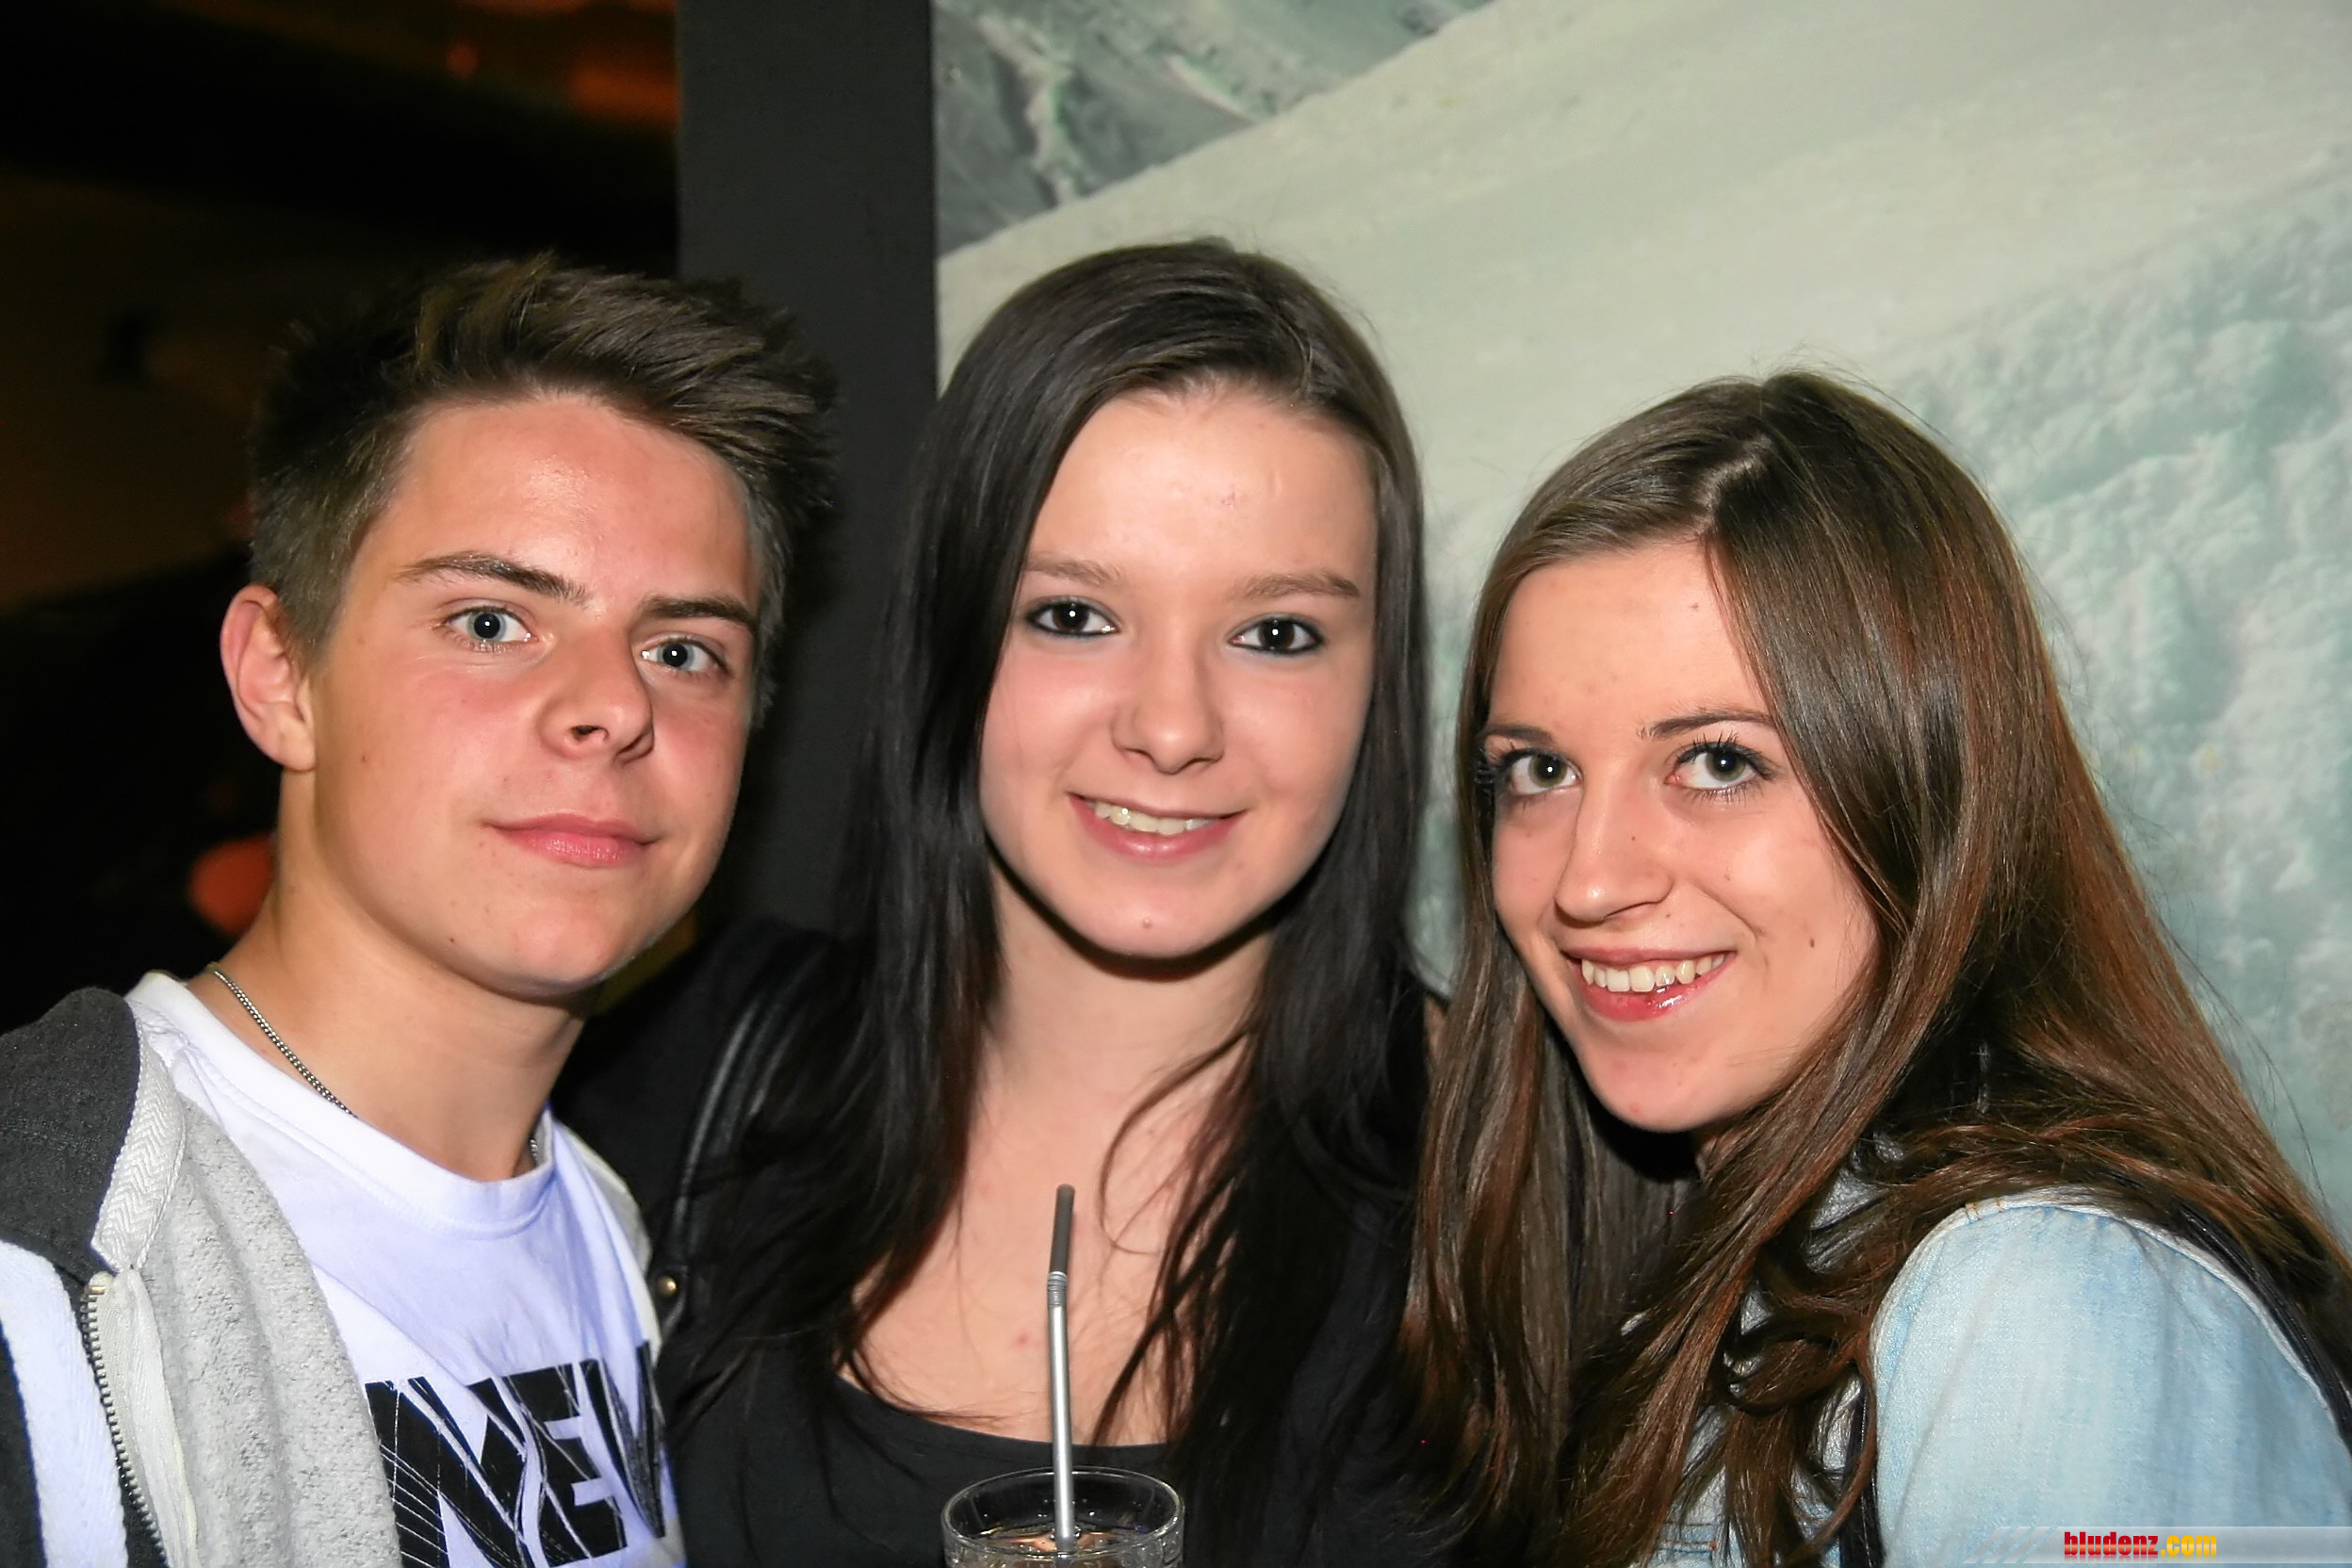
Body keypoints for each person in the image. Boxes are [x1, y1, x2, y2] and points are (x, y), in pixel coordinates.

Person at [559, 239, 1443, 1566]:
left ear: (1379, 679)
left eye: (1275, 634)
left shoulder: (1526, 1180)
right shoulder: (689, 1077)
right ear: (953, 642)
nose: (1172, 726)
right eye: (1075, 616)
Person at [1401, 372, 2352, 1565]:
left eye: (1718, 761)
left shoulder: (2035, 1295)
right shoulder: (1674, 1264)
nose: (1589, 880)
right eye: (1539, 770)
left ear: (1926, 791)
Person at [0, 257, 833, 1568]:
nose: (615, 704)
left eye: (684, 650)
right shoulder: (48, 1241)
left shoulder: (619, 1228)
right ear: (281, 675)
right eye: (492, 621)